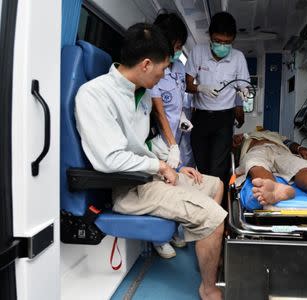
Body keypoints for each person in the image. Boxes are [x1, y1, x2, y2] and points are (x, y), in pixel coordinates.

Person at [75, 23, 225, 300]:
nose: (164, 75)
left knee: (215, 185)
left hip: (151, 175)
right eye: (163, 68)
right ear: (145, 64)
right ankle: (209, 288)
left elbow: (140, 145)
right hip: (129, 188)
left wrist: (174, 165)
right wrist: (160, 167)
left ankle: (202, 237)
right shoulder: (95, 95)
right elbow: (110, 159)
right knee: (214, 218)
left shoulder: (140, 93)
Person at [186, 11, 251, 192]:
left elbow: (243, 85)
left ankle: (218, 208)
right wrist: (201, 88)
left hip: (224, 118)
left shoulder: (238, 58)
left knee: (218, 168)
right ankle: (203, 203)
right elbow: (187, 84)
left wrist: (244, 95)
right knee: (202, 165)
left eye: (227, 42)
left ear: (233, 40)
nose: (222, 45)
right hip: (200, 118)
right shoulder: (197, 52)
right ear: (210, 37)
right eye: (218, 41)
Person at [150, 12, 191, 259]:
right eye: (176, 46)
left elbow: (179, 100)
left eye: (180, 47)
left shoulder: (179, 66)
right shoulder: (153, 65)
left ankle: (174, 229)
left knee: (178, 184)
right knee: (161, 183)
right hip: (163, 136)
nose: (178, 51)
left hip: (178, 133)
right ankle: (158, 237)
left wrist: (184, 119)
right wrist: (172, 145)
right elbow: (158, 110)